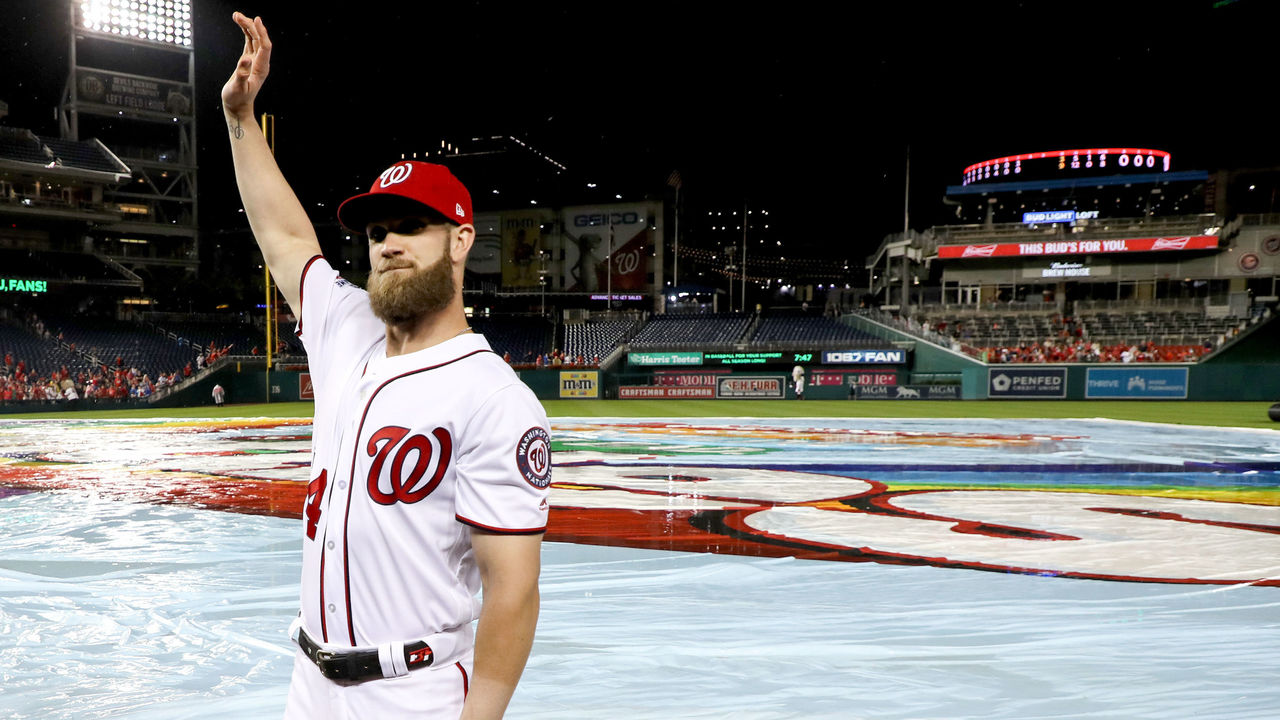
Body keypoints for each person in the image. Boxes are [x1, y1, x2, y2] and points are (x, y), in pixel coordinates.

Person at [222, 13, 549, 720]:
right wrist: (240, 117)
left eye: (411, 226)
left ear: (459, 240)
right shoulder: (347, 326)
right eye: (376, 231)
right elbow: (283, 236)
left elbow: (514, 591)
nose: (389, 244)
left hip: (414, 692)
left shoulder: (496, 399)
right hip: (308, 683)